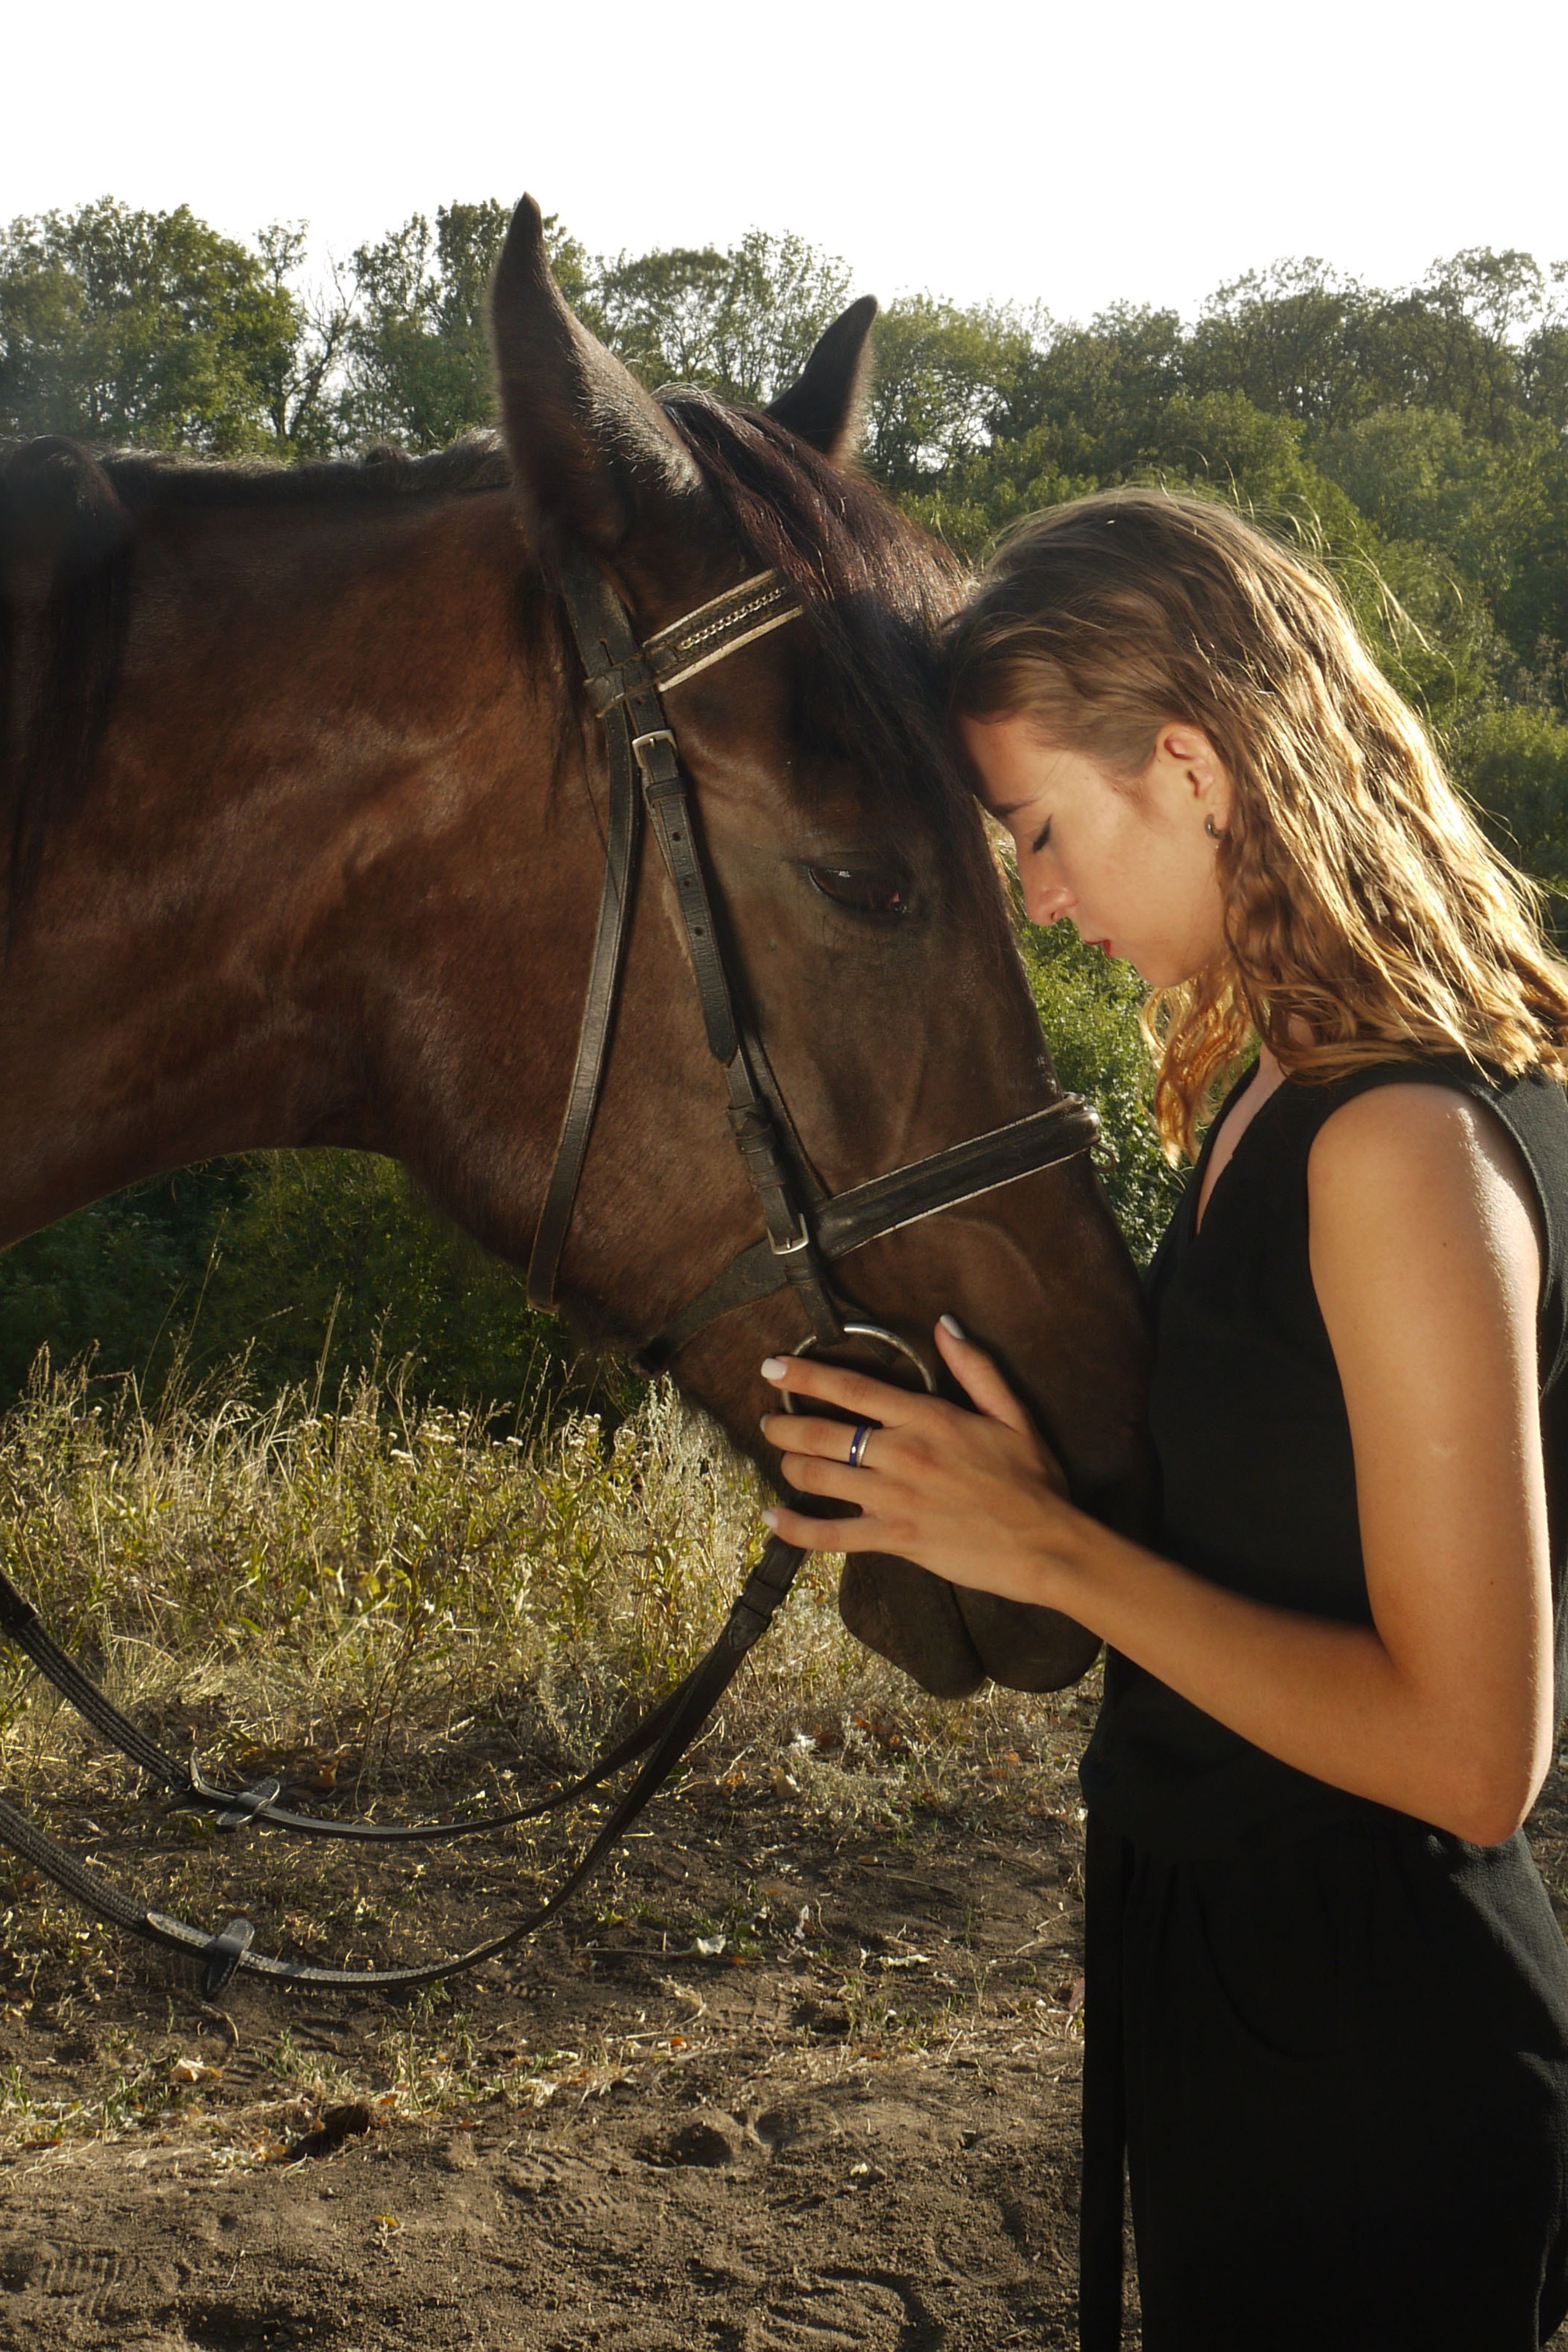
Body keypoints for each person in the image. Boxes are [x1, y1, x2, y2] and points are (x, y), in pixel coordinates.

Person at [756, 489, 1568, 2351]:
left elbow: (1473, 1758)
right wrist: (973, 1484)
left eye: (1041, 831)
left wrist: (1049, 1551)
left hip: (1376, 2064)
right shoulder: (1281, 1095)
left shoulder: (1397, 1144)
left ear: (1191, 767)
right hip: (1252, 2003)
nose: (1039, 900)